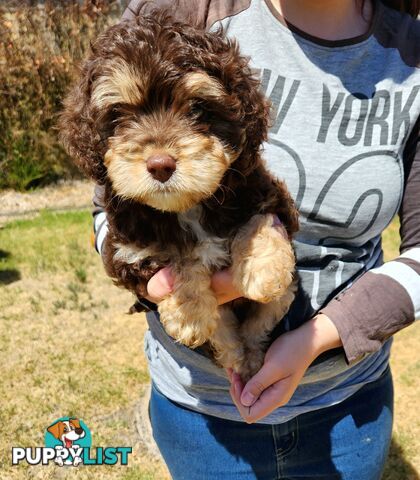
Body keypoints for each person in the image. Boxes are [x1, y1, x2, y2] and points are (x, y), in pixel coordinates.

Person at [92, 0, 420, 478]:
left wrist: (316, 338)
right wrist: (161, 282)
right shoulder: (184, 11)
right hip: (199, 411)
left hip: (348, 406)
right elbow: (107, 206)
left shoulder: (412, 54)